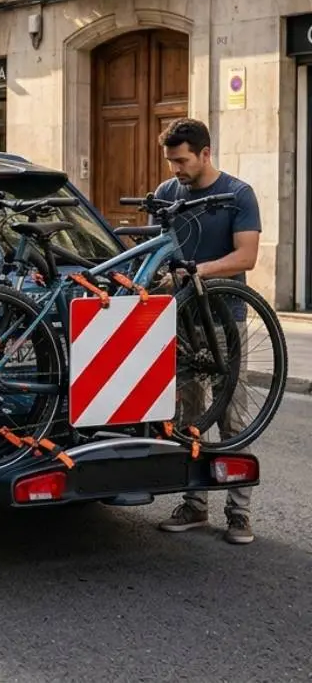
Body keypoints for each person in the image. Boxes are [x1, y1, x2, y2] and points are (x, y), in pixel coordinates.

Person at [151, 118, 262, 545]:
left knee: (232, 417)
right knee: (189, 418)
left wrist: (196, 272)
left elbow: (246, 256)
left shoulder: (238, 194)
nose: (175, 169)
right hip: (181, 323)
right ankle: (195, 505)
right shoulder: (166, 194)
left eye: (181, 161)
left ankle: (239, 513)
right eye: (171, 161)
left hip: (224, 319)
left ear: (205, 153)